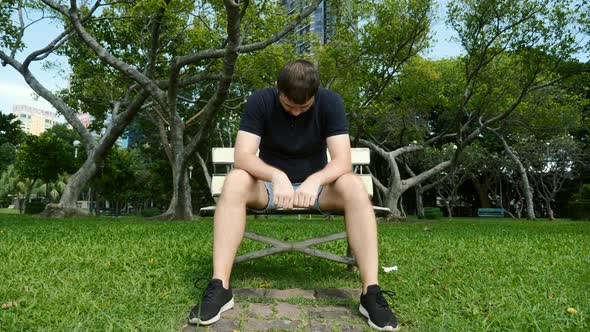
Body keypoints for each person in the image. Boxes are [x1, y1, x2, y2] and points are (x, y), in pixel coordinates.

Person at [188, 59, 398, 331]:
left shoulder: (331, 102)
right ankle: (220, 287)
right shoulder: (260, 101)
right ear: (278, 89)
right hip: (269, 187)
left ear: (316, 93)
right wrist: (277, 176)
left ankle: (371, 292)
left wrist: (315, 179)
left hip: (318, 188)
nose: (297, 113)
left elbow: (343, 160)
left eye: (304, 107)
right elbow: (242, 156)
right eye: (289, 106)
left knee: (354, 186)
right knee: (236, 180)